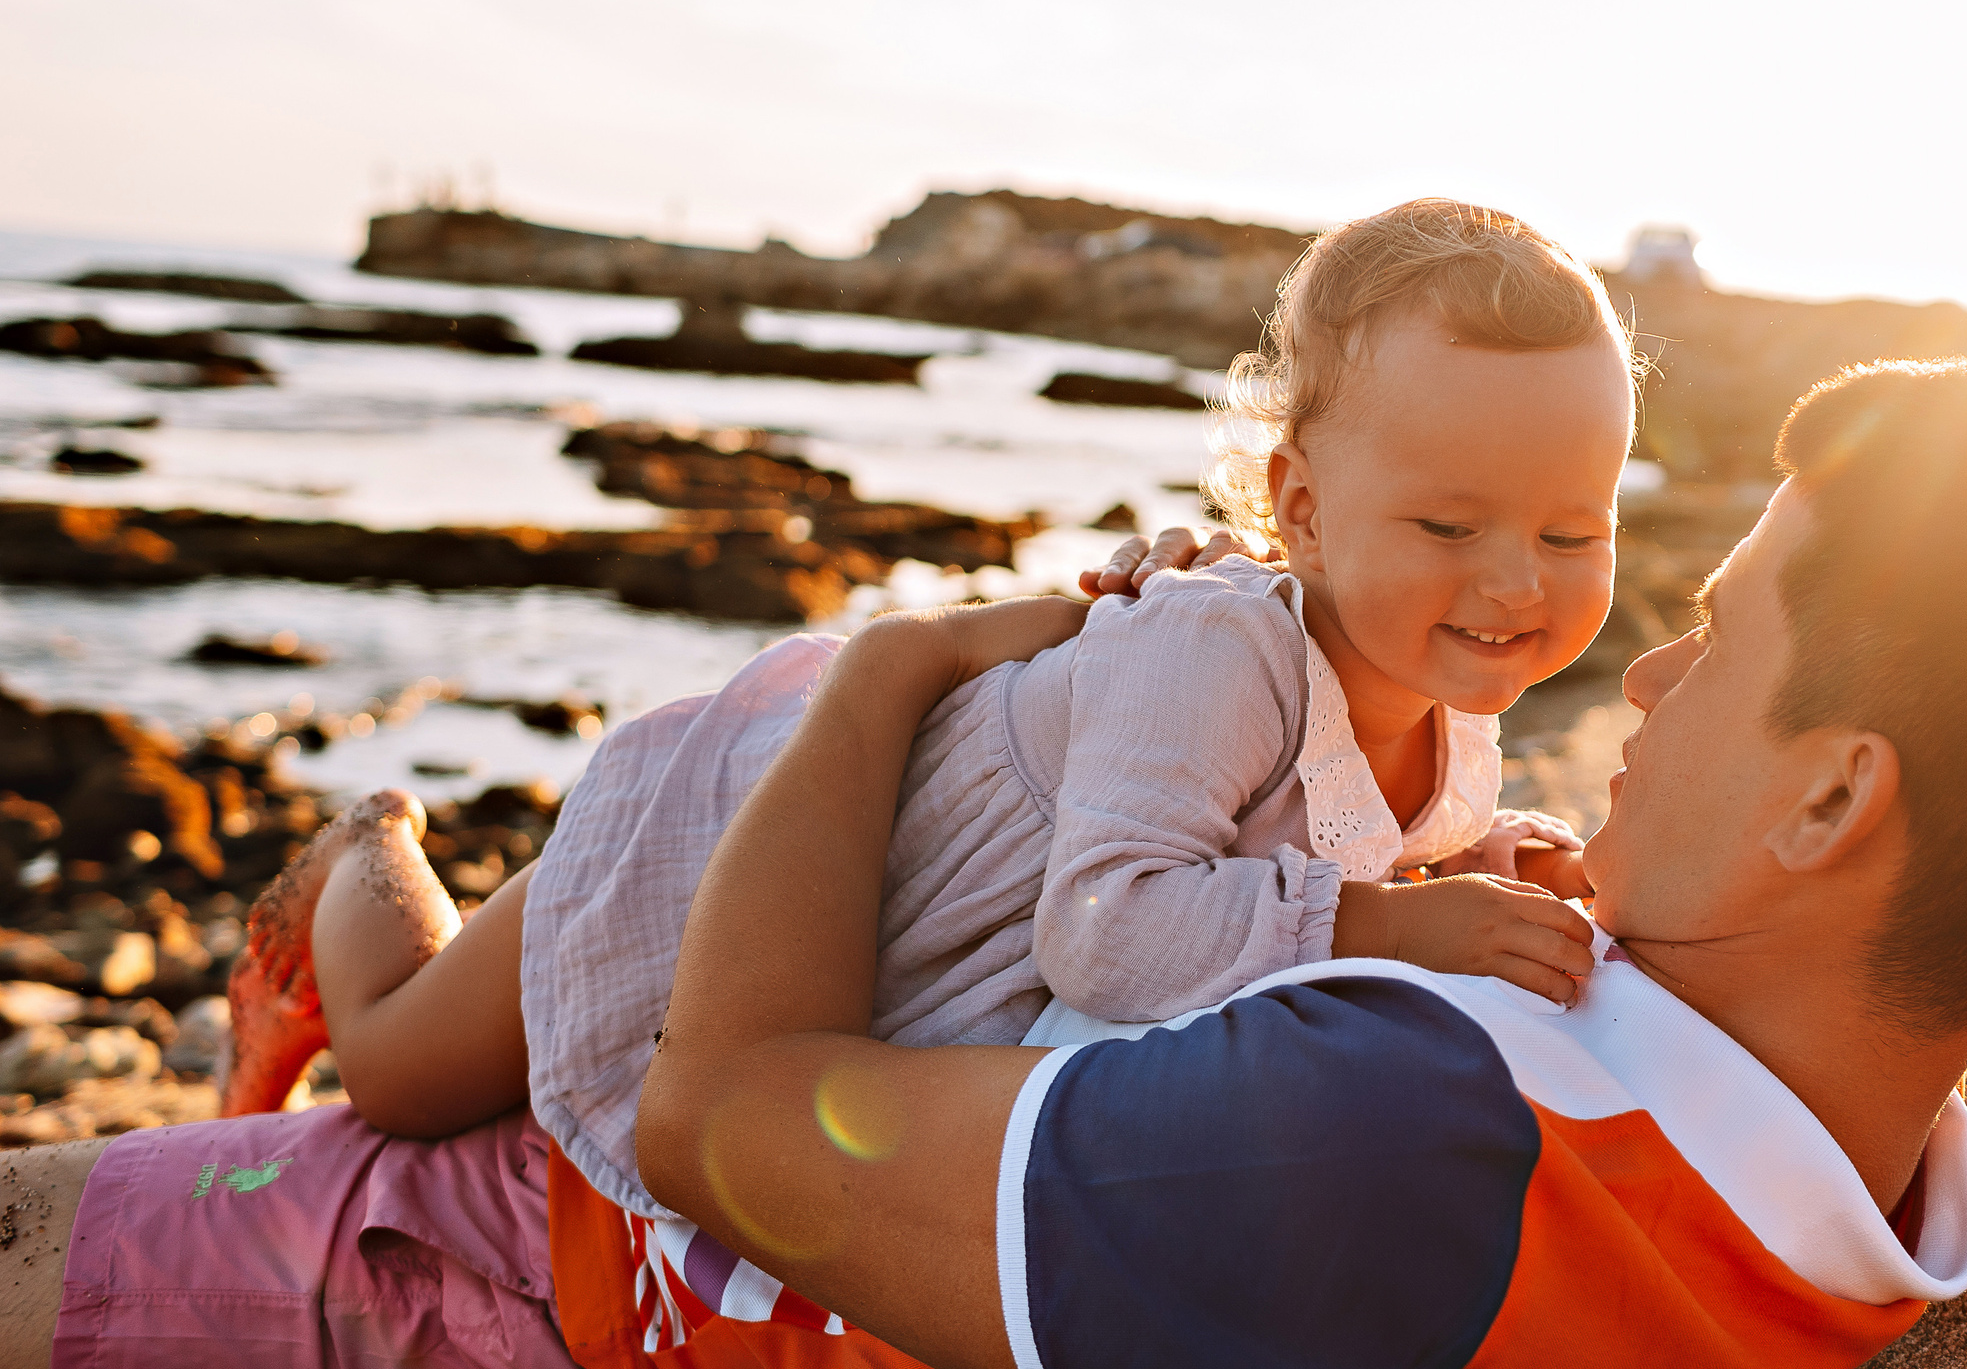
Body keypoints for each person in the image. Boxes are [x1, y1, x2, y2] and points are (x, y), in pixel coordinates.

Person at [4, 359, 1967, 1369]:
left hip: (562, 1255)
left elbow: (720, 1116)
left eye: (1718, 632)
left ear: (1833, 798)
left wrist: (896, 668)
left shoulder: (1384, 1141)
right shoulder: (1881, 1173)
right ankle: (374, 899)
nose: (1653, 665)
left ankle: (360, 886)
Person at [217, 200, 1633, 1232]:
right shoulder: (1216, 650)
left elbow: (1310, 856)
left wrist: (1483, 866)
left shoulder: (1446, 712)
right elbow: (1110, 927)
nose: (1516, 583)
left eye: (1574, 533)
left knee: (435, 1095)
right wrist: (1393, 925)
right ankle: (360, 851)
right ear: (1304, 513)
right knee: (402, 1071)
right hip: (743, 851)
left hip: (864, 952)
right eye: (1451, 522)